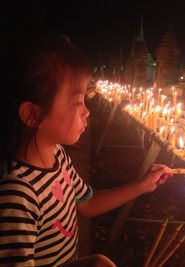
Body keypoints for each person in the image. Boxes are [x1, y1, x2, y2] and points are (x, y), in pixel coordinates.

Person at [0, 33, 173, 267]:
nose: (87, 111)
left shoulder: (58, 156)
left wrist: (141, 186)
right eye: (77, 102)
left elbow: (87, 204)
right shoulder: (18, 196)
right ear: (32, 114)